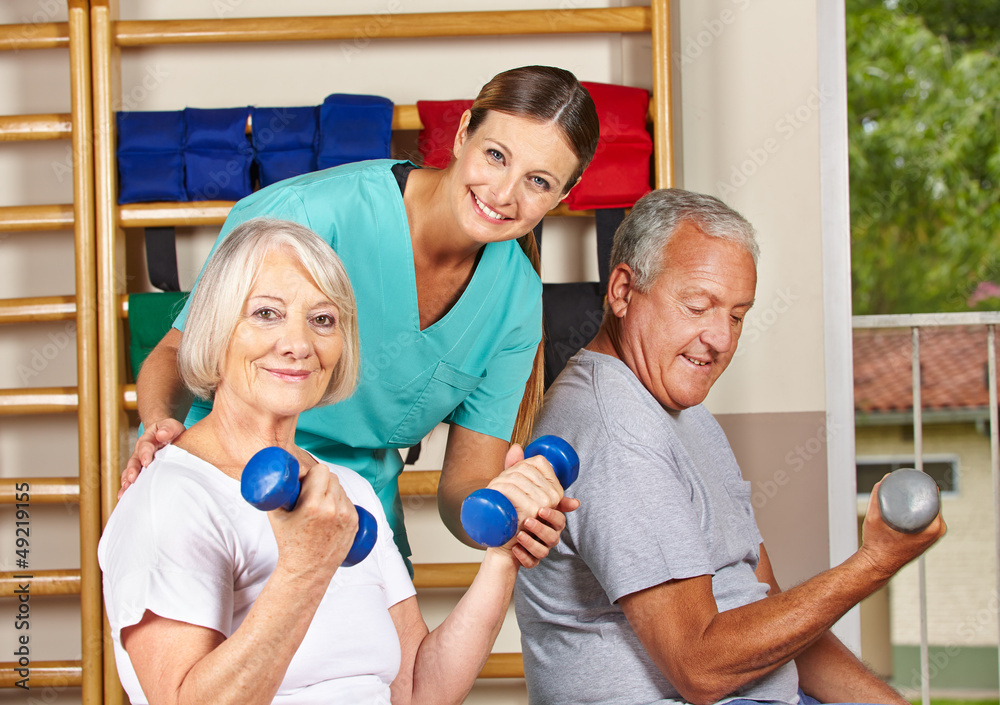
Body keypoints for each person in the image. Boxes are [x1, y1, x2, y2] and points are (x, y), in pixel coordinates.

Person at [121, 65, 597, 566]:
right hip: (229, 485)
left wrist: (506, 516)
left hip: (359, 520)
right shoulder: (306, 214)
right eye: (495, 155)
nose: (503, 193)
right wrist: (158, 431)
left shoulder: (517, 298)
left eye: (538, 182)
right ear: (462, 134)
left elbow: (465, 483)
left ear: (564, 194)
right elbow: (176, 351)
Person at [100, 218, 570, 705]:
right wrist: (304, 569)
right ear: (215, 331)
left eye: (322, 319)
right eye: (266, 313)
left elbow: (416, 689)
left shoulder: (344, 489)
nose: (299, 345)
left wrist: (501, 558)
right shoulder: (170, 497)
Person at [514, 189, 947, 705]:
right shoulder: (614, 429)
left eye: (738, 316)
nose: (720, 338)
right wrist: (874, 562)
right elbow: (699, 668)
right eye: (698, 306)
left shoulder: (680, 405)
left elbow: (771, 612)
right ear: (624, 291)